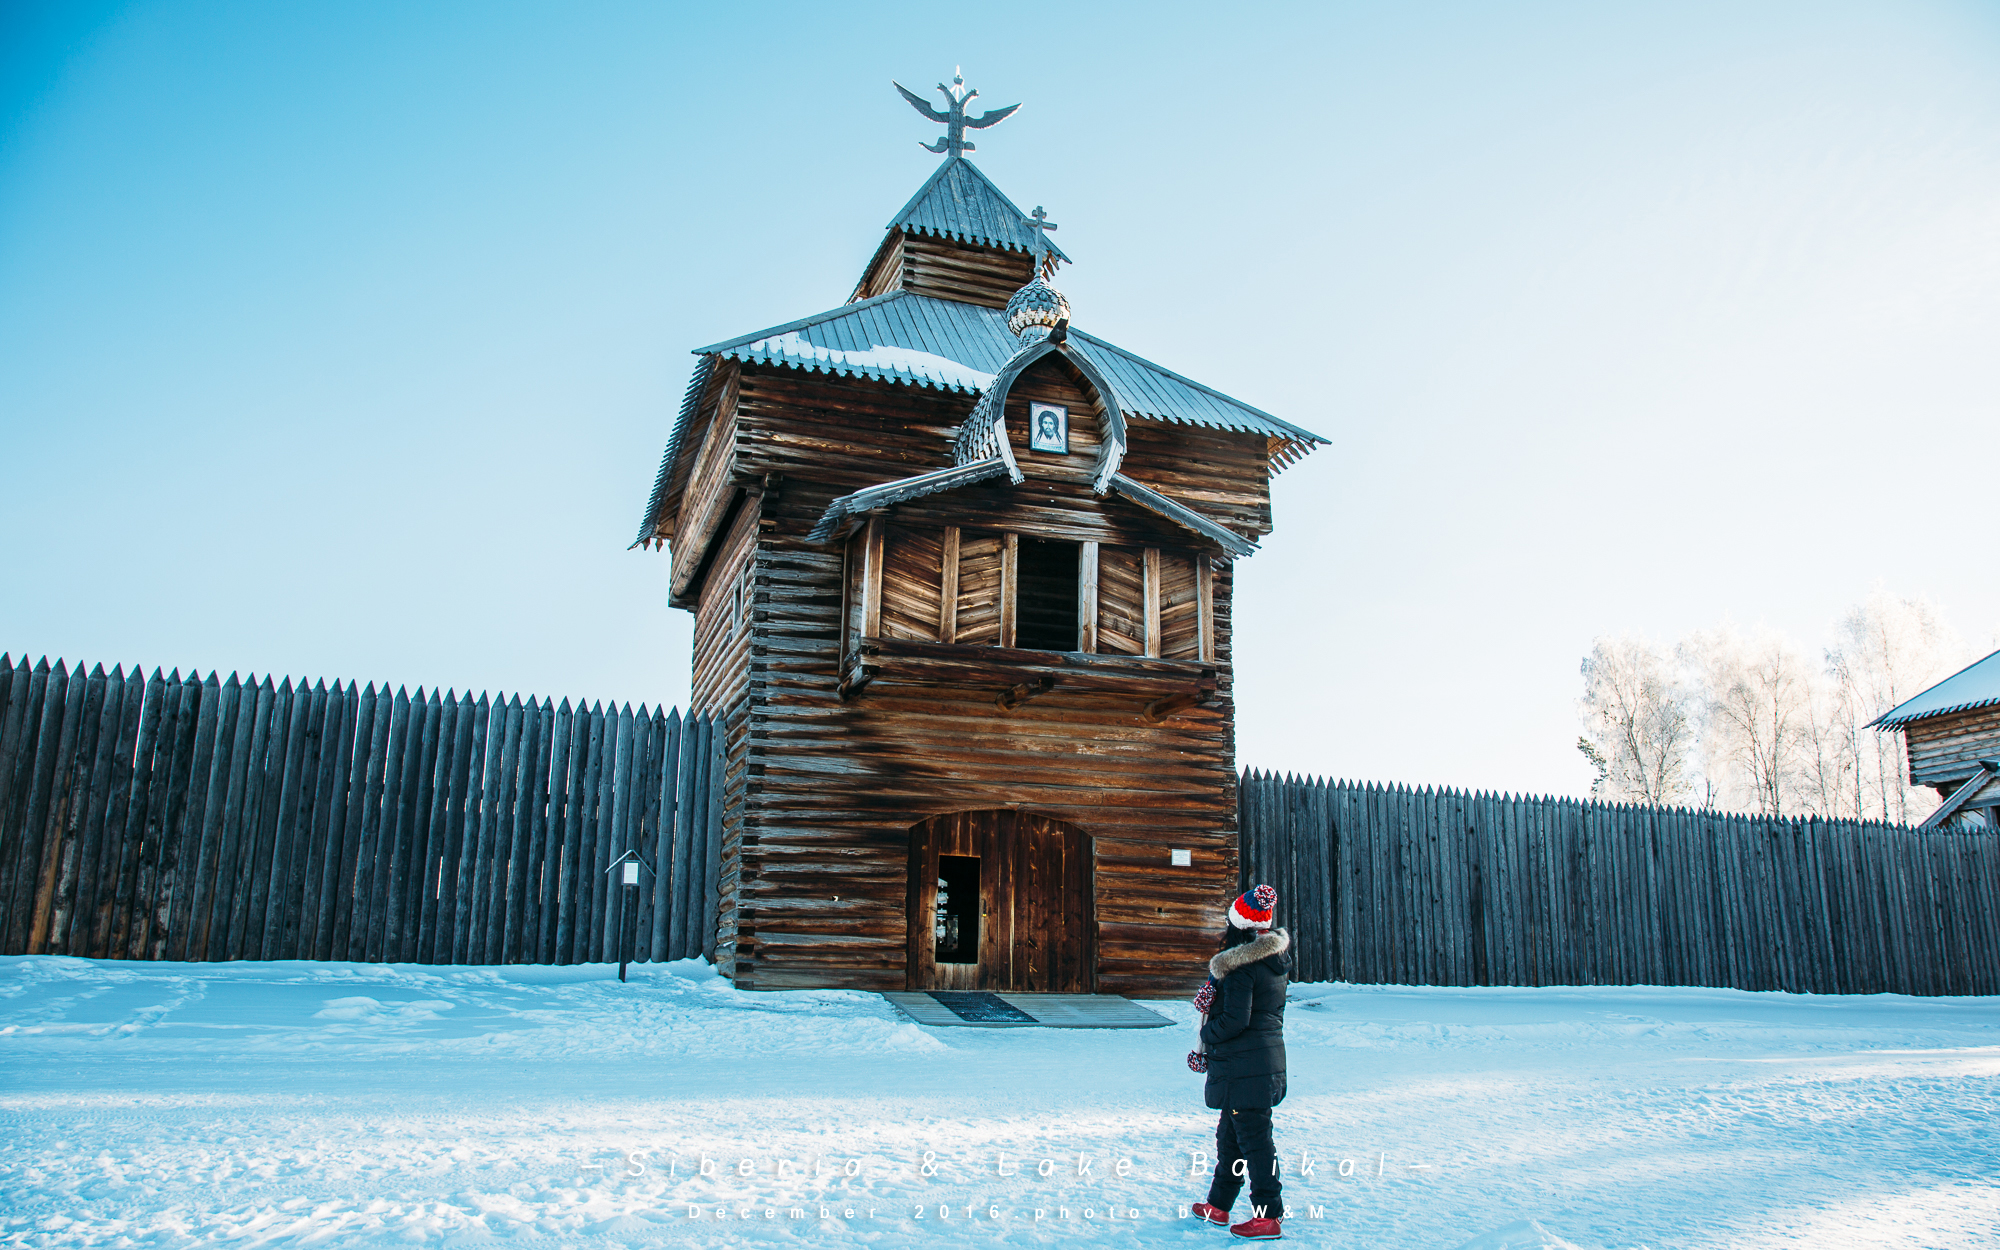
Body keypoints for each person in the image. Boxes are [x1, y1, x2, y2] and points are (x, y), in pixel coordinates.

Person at [1190, 884, 1289, 1240]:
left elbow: (1235, 1020)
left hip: (1244, 1067)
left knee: (1256, 1143)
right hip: (1258, 1063)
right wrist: (1212, 1001)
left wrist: (1208, 1032)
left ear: (1237, 924)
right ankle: (1218, 1205)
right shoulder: (1272, 961)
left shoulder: (1241, 967)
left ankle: (1268, 1216)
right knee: (1230, 1139)